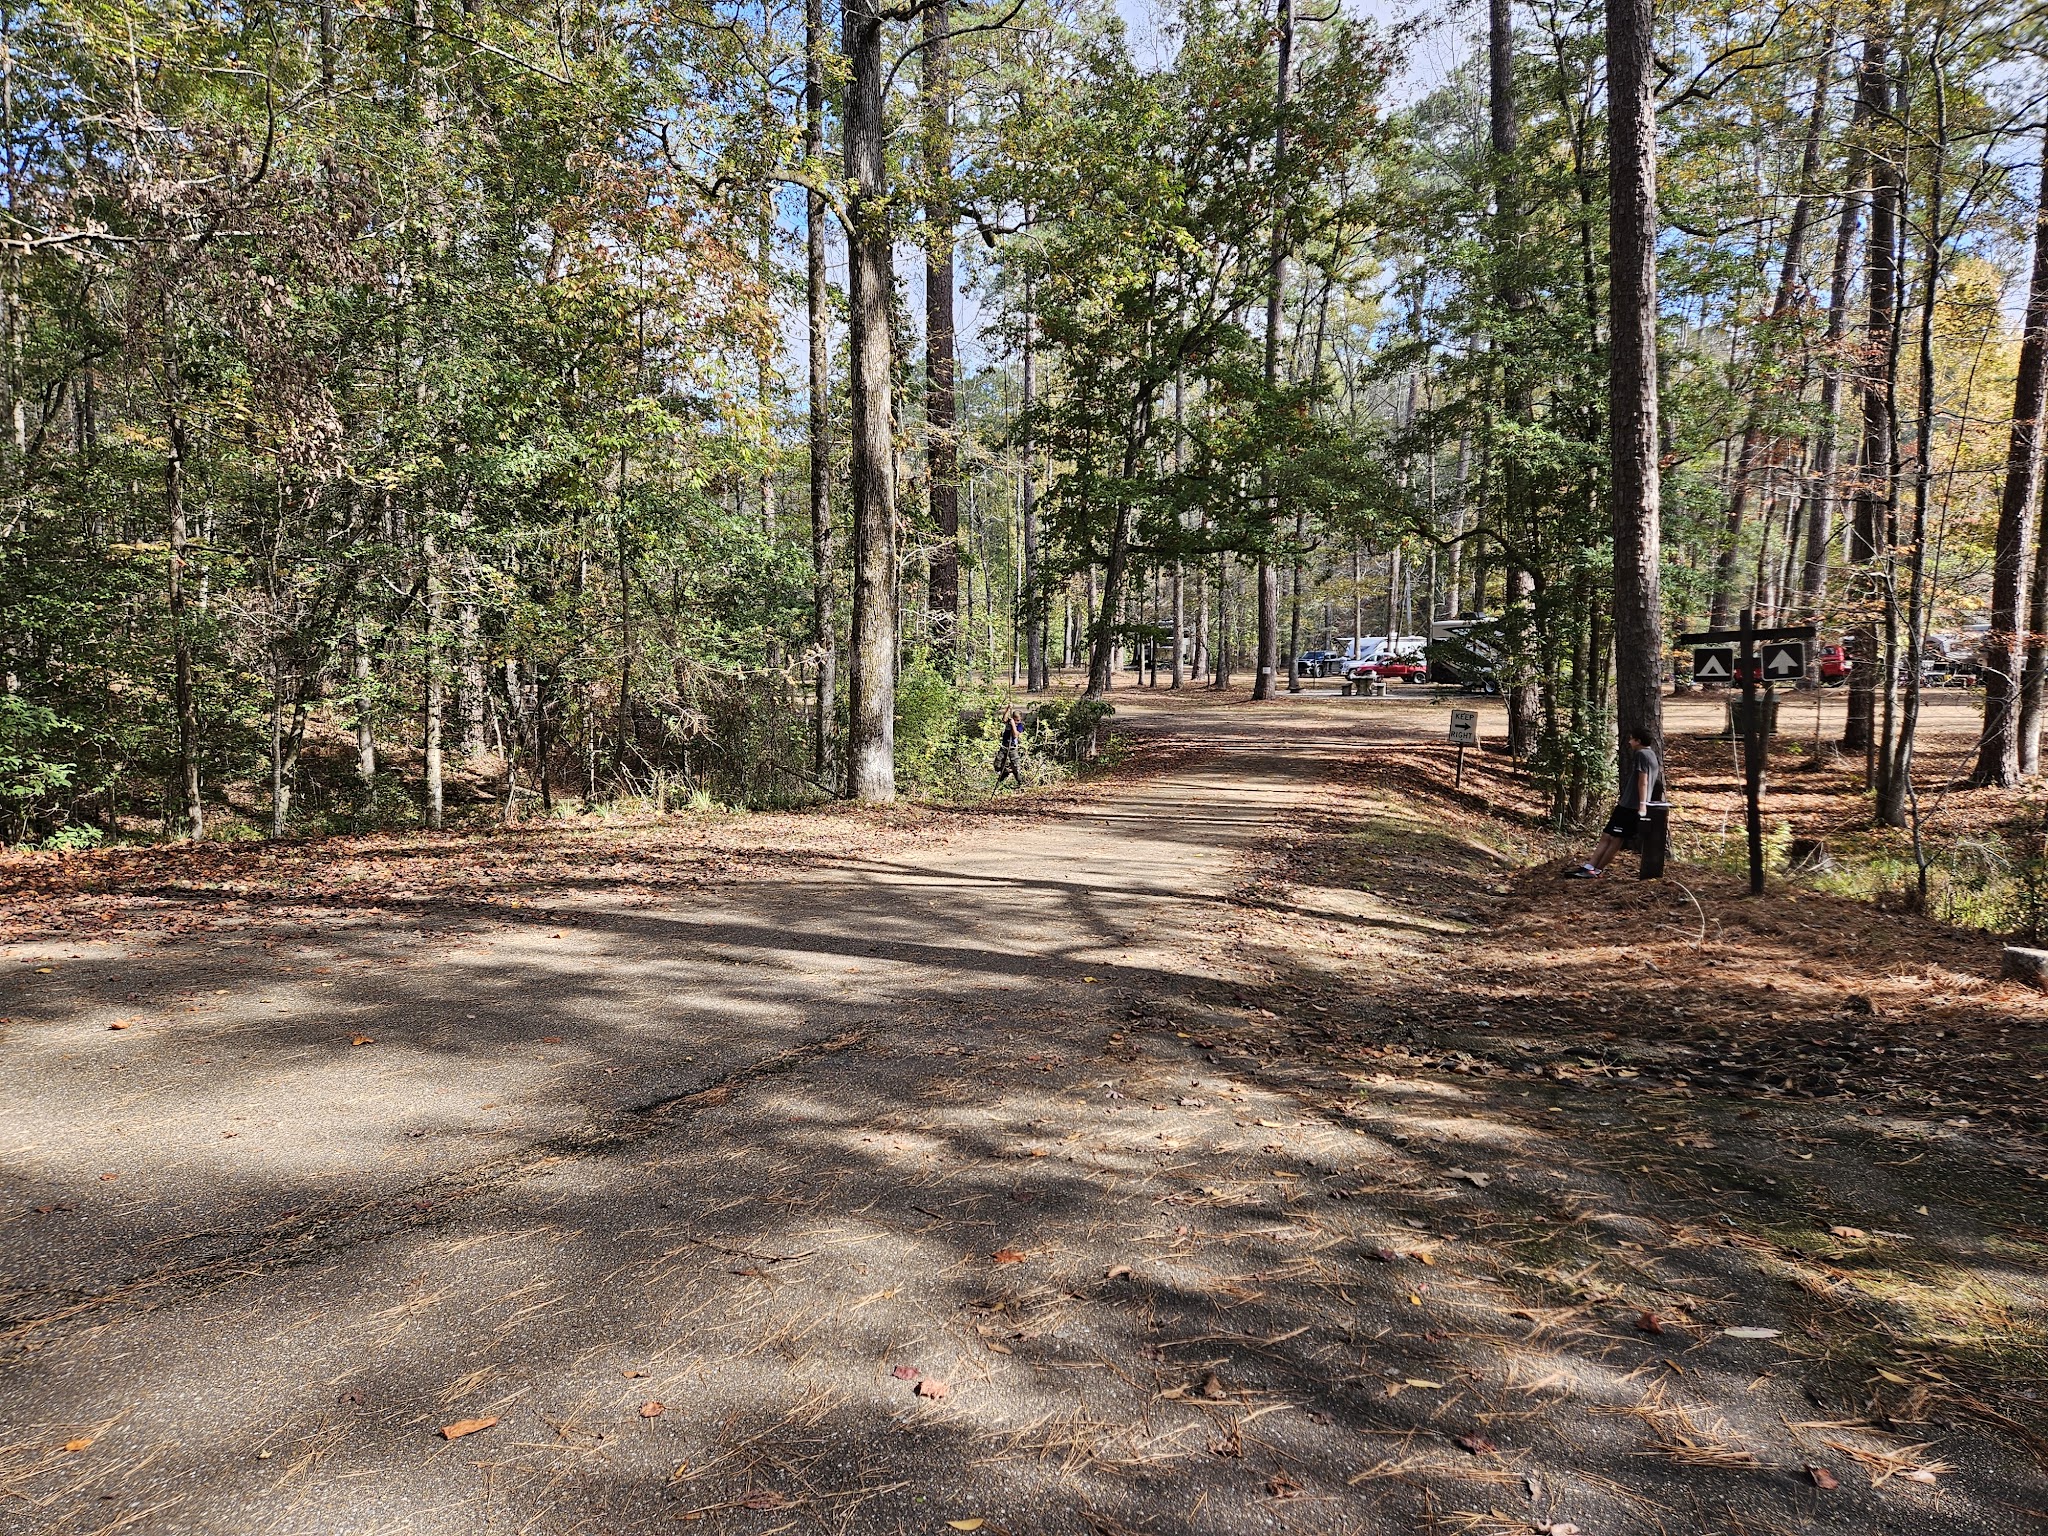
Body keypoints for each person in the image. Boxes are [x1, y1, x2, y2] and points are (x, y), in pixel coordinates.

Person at [1562, 726, 1661, 879]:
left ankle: (1596, 870)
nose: (1629, 742)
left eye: (1631, 739)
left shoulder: (1642, 754)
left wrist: (1642, 804)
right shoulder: (1651, 754)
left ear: (1638, 741)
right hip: (1626, 804)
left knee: (1616, 838)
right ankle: (1589, 866)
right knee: (1607, 835)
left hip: (1631, 806)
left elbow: (1643, 781)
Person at [995, 708, 1025, 789]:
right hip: (1004, 746)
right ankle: (1005, 773)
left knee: (1015, 767)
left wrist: (1013, 725)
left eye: (1018, 720)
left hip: (1012, 748)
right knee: (997, 764)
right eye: (1015, 720)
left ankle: (1020, 783)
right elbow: (1004, 719)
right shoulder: (1009, 721)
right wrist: (1008, 708)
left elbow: (1015, 735)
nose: (1017, 722)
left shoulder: (1020, 725)